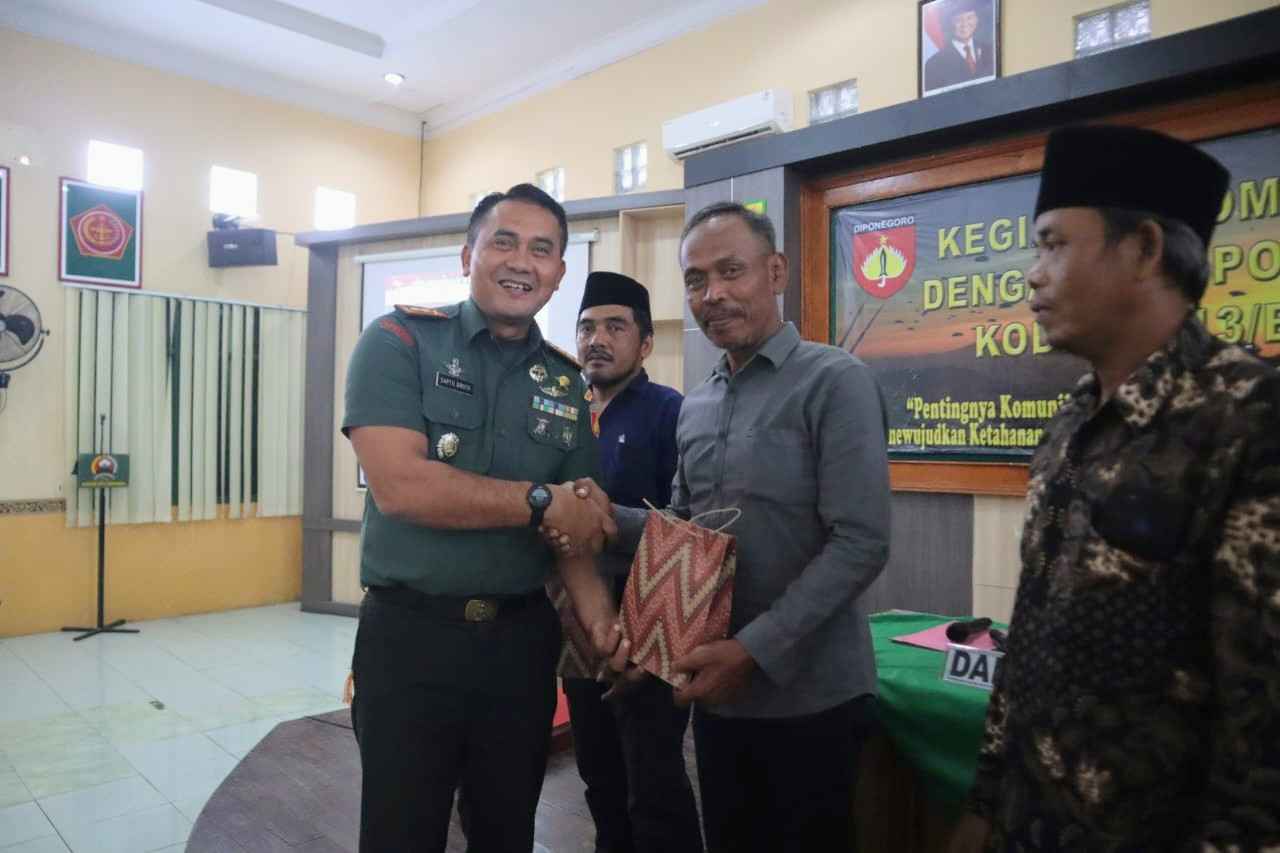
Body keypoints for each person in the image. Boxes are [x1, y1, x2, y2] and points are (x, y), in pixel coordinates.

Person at [949, 125, 1280, 852]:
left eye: (1053, 245)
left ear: (1144, 249)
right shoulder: (1072, 423)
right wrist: (986, 801)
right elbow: (1031, 632)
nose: (1032, 275)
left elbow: (1264, 729)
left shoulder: (1249, 419)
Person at [557, 202, 892, 852]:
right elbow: (686, 533)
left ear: (776, 272)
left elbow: (862, 542)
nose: (712, 293)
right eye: (695, 279)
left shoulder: (835, 381)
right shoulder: (701, 402)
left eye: (731, 271)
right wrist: (606, 517)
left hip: (814, 698)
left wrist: (752, 651)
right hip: (715, 694)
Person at [342, 183, 625, 853]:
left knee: (506, 832)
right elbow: (401, 487)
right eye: (504, 241)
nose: (522, 261)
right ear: (468, 255)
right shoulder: (398, 341)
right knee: (399, 832)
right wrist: (539, 500)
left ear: (559, 272)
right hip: (410, 640)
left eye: (542, 249)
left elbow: (573, 534)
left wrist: (602, 625)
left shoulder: (566, 384)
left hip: (519, 650)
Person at [564, 271, 702, 853]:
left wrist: (654, 643)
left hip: (651, 630)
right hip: (577, 627)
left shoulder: (670, 412)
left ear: (645, 344)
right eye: (587, 327)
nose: (597, 339)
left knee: (653, 780)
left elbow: (687, 529)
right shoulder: (563, 414)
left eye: (615, 327)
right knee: (597, 773)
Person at [924, 0, 994, 93]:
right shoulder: (934, 64)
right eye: (958, 20)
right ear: (949, 24)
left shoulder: (990, 51)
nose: (964, 24)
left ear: (977, 20)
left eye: (969, 17)